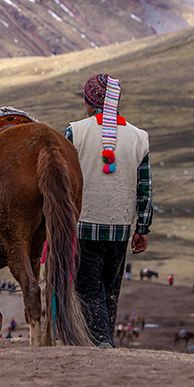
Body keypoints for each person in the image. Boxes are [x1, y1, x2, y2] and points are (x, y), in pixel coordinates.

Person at [66, 74, 152, 348]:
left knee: (88, 288)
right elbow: (145, 188)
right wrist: (142, 229)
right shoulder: (139, 137)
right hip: (121, 229)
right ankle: (106, 341)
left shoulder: (74, 132)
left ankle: (101, 343)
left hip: (84, 226)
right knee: (110, 290)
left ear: (89, 101)